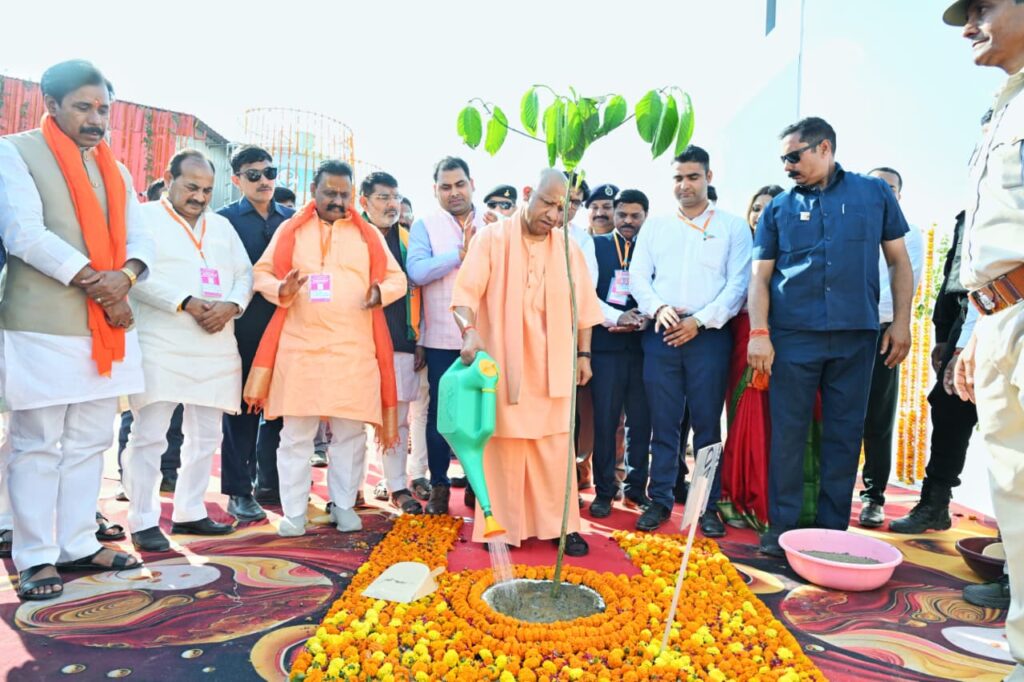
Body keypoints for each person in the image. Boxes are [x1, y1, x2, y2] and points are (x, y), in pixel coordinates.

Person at [0, 59, 150, 599]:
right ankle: (36, 554)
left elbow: (141, 237)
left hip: (106, 324)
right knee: (37, 441)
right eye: (84, 107)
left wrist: (125, 276)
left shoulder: (117, 168)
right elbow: (24, 233)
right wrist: (98, 282)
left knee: (91, 439)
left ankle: (78, 542)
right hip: (43, 323)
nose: (96, 120)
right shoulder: (14, 152)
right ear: (52, 103)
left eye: (104, 109)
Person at [749, 117, 913, 557]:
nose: (786, 166)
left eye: (793, 156)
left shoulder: (873, 194)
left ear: (824, 148)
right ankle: (781, 529)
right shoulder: (779, 208)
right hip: (794, 337)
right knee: (788, 434)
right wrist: (759, 333)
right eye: (783, 158)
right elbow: (759, 278)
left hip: (855, 338)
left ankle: (831, 531)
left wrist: (901, 323)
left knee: (845, 434)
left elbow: (898, 261)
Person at [249, 160, 406, 536]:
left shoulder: (368, 234)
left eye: (344, 194)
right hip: (300, 347)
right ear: (313, 193)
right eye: (330, 192)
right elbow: (260, 273)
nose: (338, 200)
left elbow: (397, 279)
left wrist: (379, 292)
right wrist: (279, 290)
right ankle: (294, 512)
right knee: (296, 435)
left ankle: (344, 505)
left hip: (353, 349)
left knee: (349, 435)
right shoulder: (291, 230)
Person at [452, 168, 604, 555]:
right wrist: (468, 330)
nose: (555, 215)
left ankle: (561, 526)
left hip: (554, 366)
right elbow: (465, 295)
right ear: (527, 193)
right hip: (503, 363)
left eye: (565, 207)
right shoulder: (491, 239)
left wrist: (583, 355)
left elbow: (584, 309)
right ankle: (500, 527)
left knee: (554, 448)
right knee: (504, 445)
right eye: (549, 203)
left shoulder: (569, 249)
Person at [945, 0, 1024, 663]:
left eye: (982, 7)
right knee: (1017, 498)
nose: (970, 26)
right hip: (1003, 318)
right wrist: (980, 326)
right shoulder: (1005, 107)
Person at [123, 149, 251, 551]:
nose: (199, 196)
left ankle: (190, 511)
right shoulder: (143, 218)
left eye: (207, 190)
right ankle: (142, 519)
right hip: (162, 339)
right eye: (192, 186)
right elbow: (134, 273)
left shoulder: (221, 226)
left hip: (215, 340)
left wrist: (231, 306)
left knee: (207, 435)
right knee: (150, 435)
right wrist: (185, 301)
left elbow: (244, 274)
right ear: (168, 178)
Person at [630, 146, 751, 536]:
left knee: (706, 427)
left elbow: (738, 285)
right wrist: (657, 307)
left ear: (709, 177)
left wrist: (700, 321)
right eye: (678, 178)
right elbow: (638, 277)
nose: (685, 185)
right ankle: (660, 500)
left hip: (709, 337)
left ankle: (706, 506)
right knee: (662, 425)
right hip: (662, 333)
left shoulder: (732, 227)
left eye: (693, 177)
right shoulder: (656, 226)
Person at [406, 157, 488, 514]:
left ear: (472, 183)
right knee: (444, 417)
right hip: (441, 339)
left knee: (484, 415)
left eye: (459, 184)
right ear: (435, 189)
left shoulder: (494, 224)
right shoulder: (425, 225)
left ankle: (477, 484)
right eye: (445, 186)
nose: (454, 192)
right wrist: (459, 254)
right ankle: (439, 485)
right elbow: (417, 271)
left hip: (486, 338)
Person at [889, 211, 978, 534]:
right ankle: (934, 504)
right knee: (949, 406)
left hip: (1013, 314)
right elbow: (954, 273)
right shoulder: (970, 214)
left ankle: (1010, 532)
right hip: (967, 317)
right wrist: (945, 334)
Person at [218, 145, 294, 513]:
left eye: (269, 172)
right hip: (242, 326)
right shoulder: (223, 220)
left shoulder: (291, 220)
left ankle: (273, 484)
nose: (264, 181)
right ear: (236, 180)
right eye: (254, 175)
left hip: (288, 325)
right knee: (242, 411)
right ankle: (238, 491)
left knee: (282, 409)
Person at [716, 184, 788, 531]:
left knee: (769, 421)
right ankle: (735, 495)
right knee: (741, 416)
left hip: (777, 339)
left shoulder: (791, 249)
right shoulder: (737, 245)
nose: (760, 215)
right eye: (756, 207)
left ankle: (764, 502)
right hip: (738, 336)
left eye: (770, 208)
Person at [857, 167, 925, 528]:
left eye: (890, 187)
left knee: (877, 420)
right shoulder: (849, 225)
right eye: (875, 185)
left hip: (882, 331)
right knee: (838, 416)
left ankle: (873, 498)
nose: (882, 192)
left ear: (899, 195)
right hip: (845, 332)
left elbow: (905, 283)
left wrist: (899, 325)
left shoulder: (909, 234)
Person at [358, 172, 424, 514]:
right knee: (351, 421)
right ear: (363, 201)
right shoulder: (350, 235)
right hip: (355, 342)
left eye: (395, 197)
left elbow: (423, 292)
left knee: (396, 420)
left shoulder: (409, 240)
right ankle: (351, 489)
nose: (391, 204)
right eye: (383, 197)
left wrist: (421, 340)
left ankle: (398, 486)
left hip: (400, 340)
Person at [588, 189, 652, 518]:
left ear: (645, 217)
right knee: (605, 421)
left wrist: (643, 318)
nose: (628, 221)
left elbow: (660, 291)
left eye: (635, 216)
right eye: (622, 214)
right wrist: (617, 317)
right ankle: (603, 490)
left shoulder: (652, 247)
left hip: (644, 349)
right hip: (606, 348)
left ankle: (636, 489)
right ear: (613, 214)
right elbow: (585, 294)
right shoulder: (595, 246)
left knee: (641, 423)